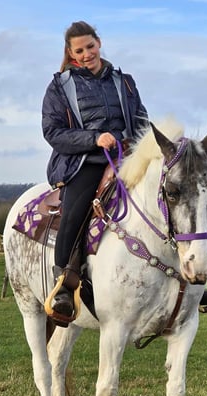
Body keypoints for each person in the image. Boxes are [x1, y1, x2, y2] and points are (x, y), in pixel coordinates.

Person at [41, 20, 149, 325]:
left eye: (90, 46)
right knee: (75, 214)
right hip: (86, 161)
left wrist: (147, 148)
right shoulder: (60, 87)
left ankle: (191, 274)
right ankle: (64, 284)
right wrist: (93, 138)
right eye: (80, 50)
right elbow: (53, 132)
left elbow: (141, 120)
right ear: (71, 53)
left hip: (128, 156)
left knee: (171, 193)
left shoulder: (124, 81)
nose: (87, 53)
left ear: (98, 43)